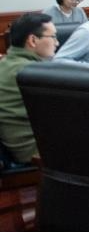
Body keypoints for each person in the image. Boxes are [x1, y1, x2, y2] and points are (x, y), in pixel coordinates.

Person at [0, 13, 59, 163]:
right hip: (36, 151)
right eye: (53, 37)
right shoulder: (33, 74)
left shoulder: (6, 63)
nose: (57, 43)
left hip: (19, 145)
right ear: (33, 40)